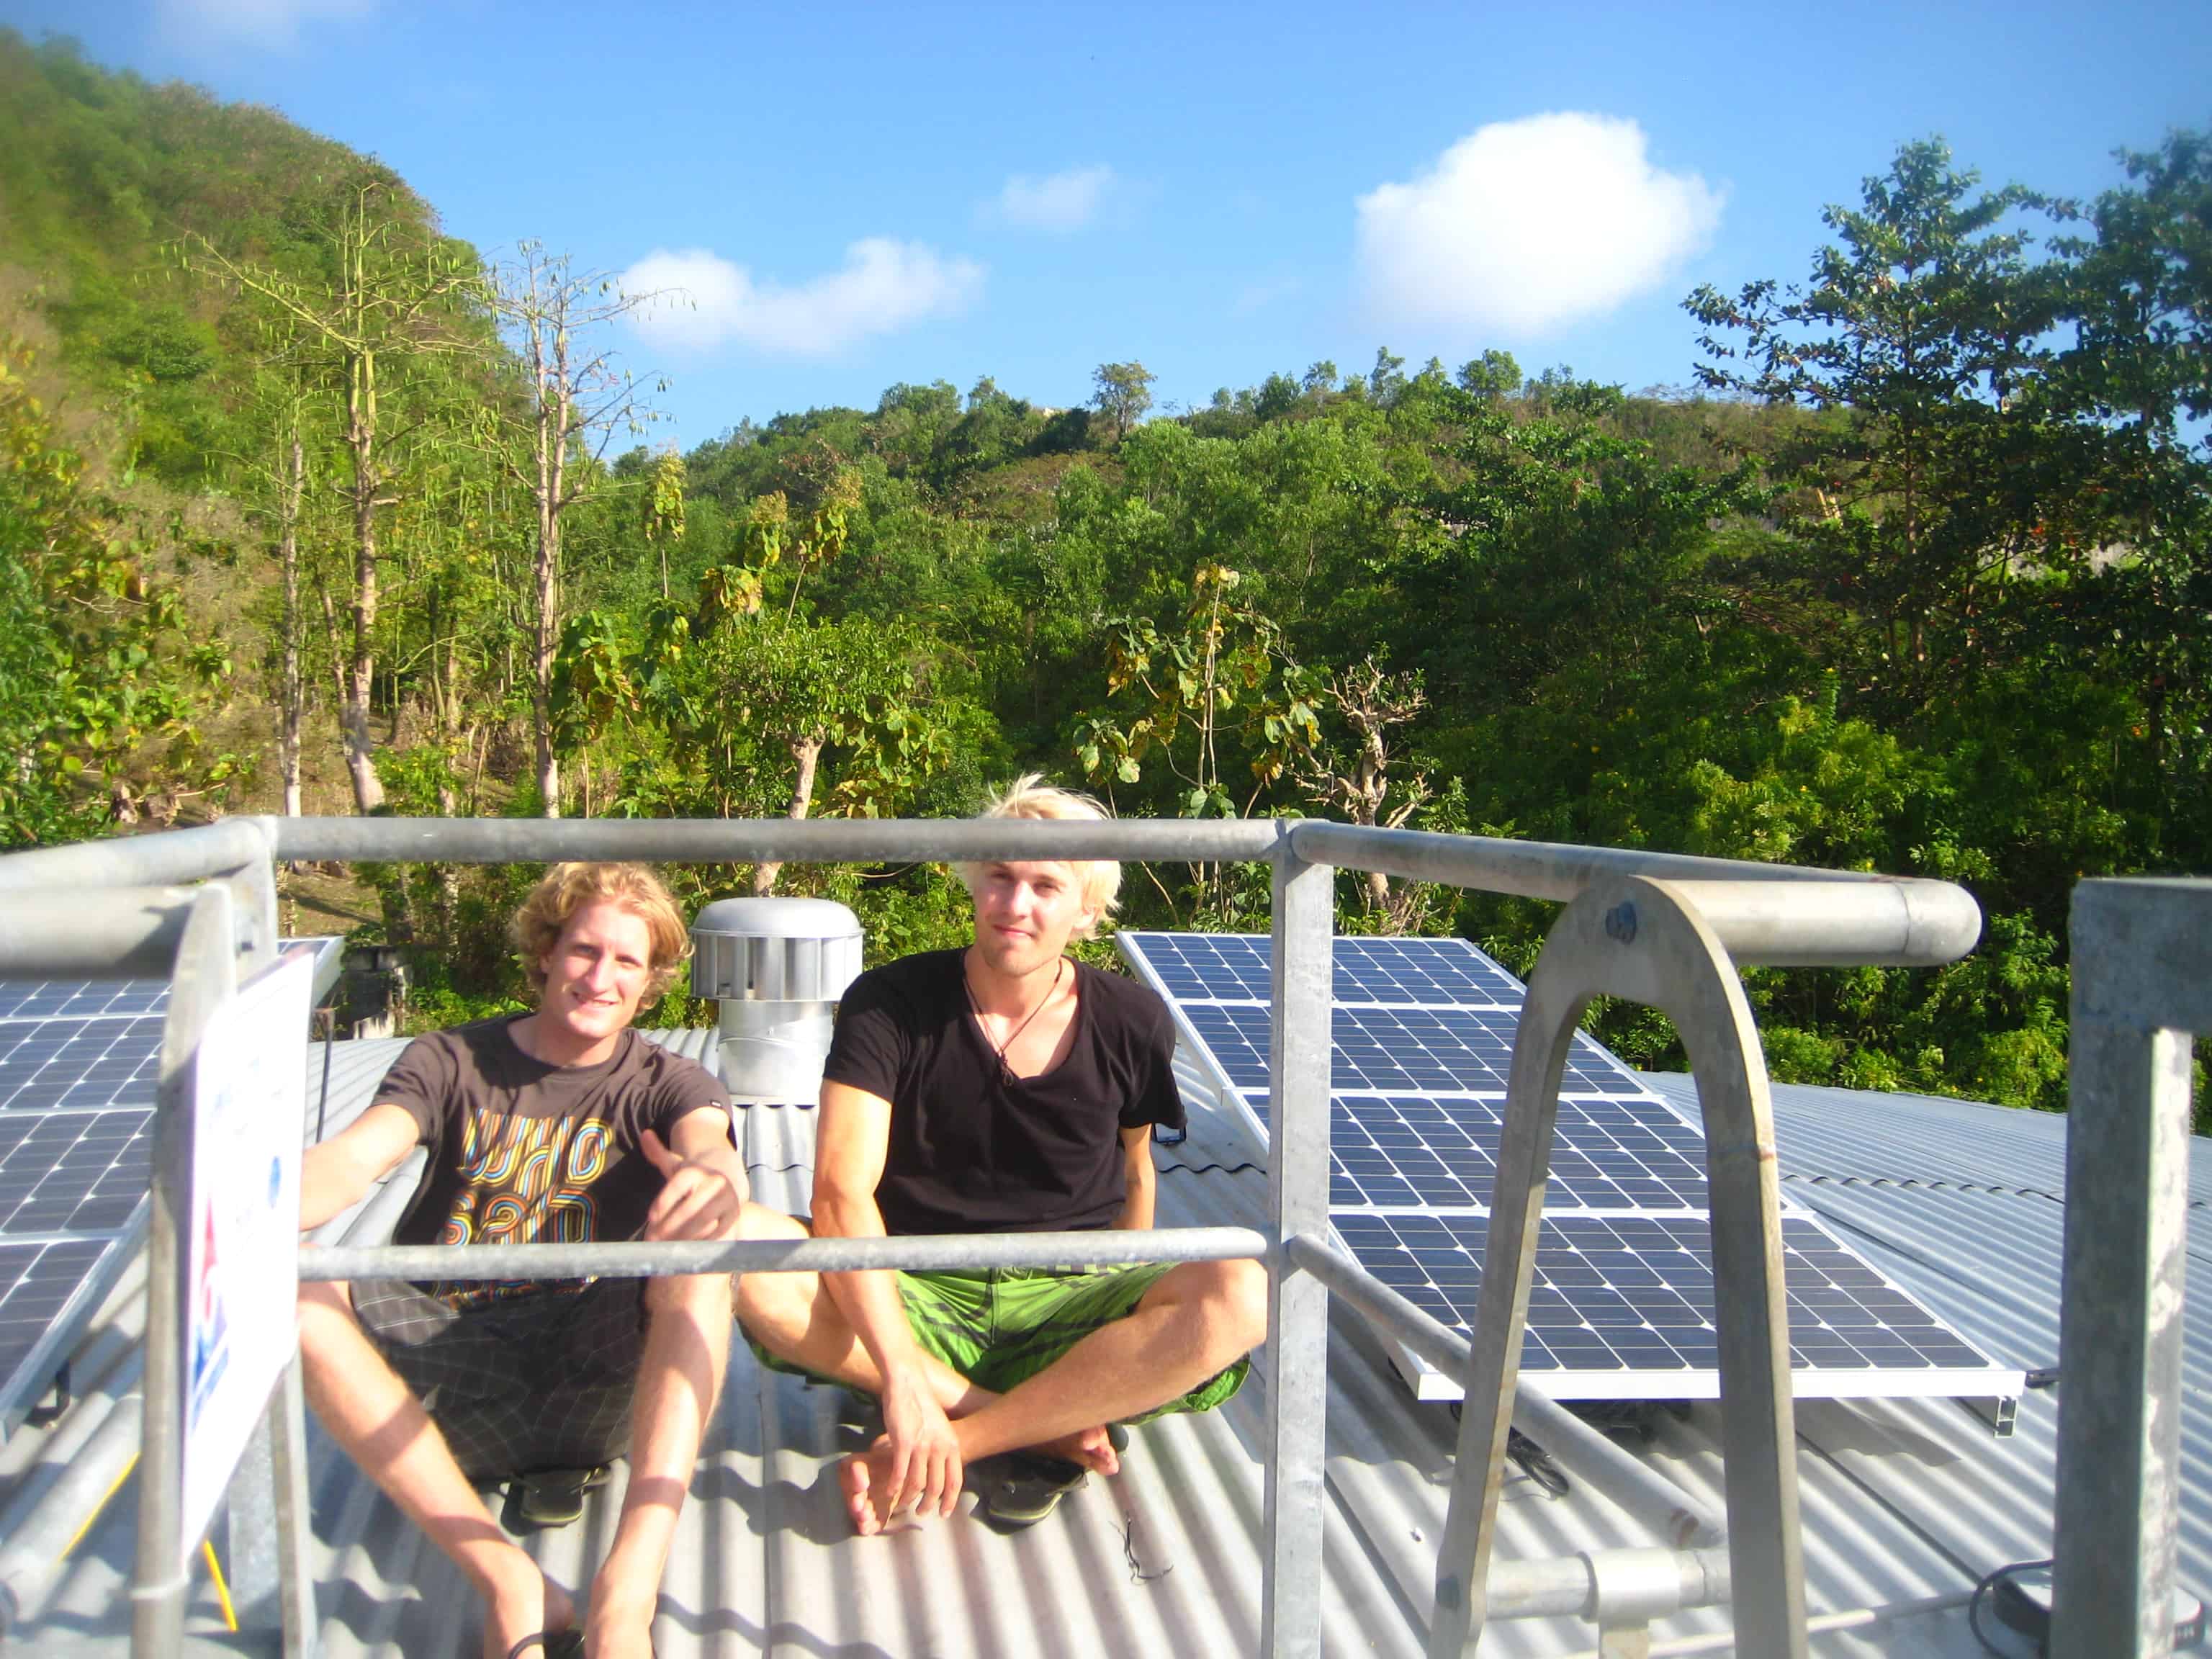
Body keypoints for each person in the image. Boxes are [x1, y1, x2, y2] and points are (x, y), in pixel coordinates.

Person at [736, 777, 1270, 1536]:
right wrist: (901, 1377)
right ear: (973, 882)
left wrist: (1127, 1318)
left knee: (1244, 1292)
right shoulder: (889, 1003)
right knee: (734, 1240)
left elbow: (1135, 1172)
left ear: (1086, 910)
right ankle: (1032, 1419)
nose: (1015, 904)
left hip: (1066, 1300)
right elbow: (838, 1194)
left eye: (1045, 886)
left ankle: (963, 1439)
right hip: (912, 1295)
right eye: (999, 877)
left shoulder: (1132, 1019)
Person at [297, 863, 755, 1659]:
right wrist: (248, 1208)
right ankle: (509, 1579)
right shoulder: (449, 1061)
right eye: (584, 951)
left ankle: (625, 1598)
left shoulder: (667, 1082)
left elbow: (711, 1147)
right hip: (446, 1379)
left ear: (650, 983)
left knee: (706, 1260)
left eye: (627, 961)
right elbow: (358, 1157)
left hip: (594, 1380)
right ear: (546, 952)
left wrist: (715, 1183)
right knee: (299, 1290)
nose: (600, 978)